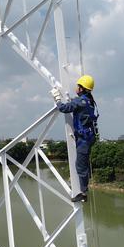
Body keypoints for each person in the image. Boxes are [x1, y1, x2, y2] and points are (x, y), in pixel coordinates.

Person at [51, 75, 99, 203]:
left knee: (80, 165)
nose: (76, 88)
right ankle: (85, 182)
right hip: (89, 136)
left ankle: (83, 193)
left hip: (84, 139)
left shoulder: (80, 102)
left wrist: (57, 98)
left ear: (82, 88)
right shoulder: (89, 101)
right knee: (84, 163)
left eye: (78, 86)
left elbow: (64, 108)